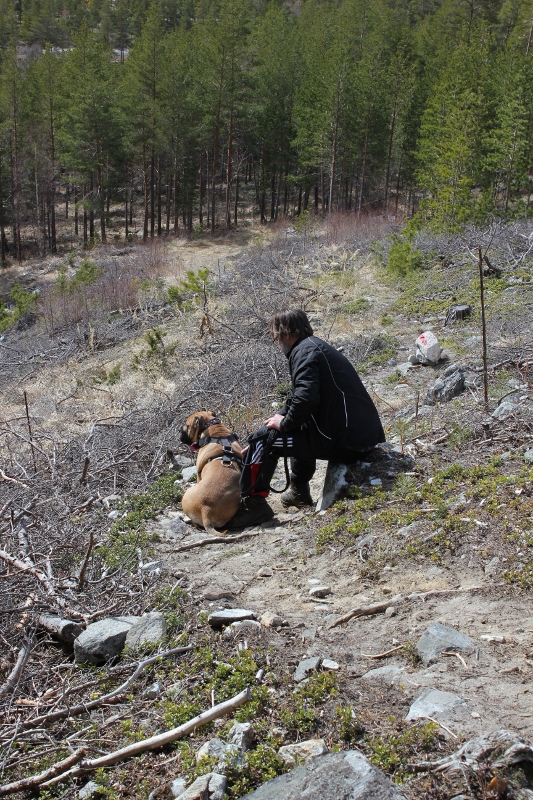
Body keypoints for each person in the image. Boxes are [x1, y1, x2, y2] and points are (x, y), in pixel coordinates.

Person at [227, 308, 385, 528]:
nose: (276, 342)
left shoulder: (303, 352)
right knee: (286, 429)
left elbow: (306, 398)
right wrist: (280, 417)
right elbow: (297, 398)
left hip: (345, 440)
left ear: (286, 333)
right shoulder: (314, 347)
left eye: (276, 337)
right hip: (359, 434)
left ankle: (254, 508)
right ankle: (299, 491)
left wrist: (281, 425)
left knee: (265, 442)